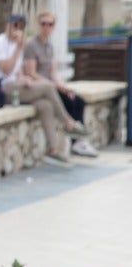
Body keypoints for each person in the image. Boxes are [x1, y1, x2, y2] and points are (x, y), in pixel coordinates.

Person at [0, 12, 80, 167]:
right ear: (7, 26)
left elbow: (17, 72)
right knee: (47, 86)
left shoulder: (17, 44)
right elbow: (6, 70)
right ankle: (68, 122)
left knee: (45, 106)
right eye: (14, 26)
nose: (17, 30)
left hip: (16, 87)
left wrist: (25, 78)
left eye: (20, 26)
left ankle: (53, 150)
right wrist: (19, 48)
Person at [24, 11, 97, 157]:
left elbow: (53, 72)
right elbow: (31, 72)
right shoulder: (31, 45)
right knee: (67, 102)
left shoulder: (49, 47)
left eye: (50, 24)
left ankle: (78, 141)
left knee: (77, 100)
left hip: (51, 85)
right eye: (43, 23)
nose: (46, 27)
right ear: (38, 25)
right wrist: (53, 85)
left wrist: (62, 85)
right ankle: (74, 132)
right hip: (41, 86)